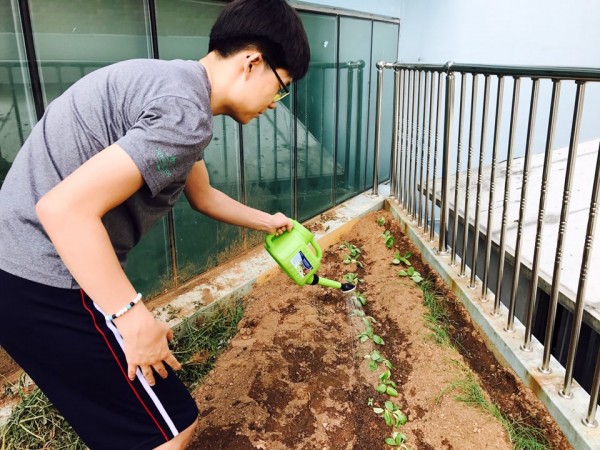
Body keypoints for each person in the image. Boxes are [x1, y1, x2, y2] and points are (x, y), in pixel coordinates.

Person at [0, 0, 310, 448]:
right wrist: (132, 318)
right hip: (43, 276)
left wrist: (269, 221)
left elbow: (202, 196)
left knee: (136, 426)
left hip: (19, 266)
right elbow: (63, 210)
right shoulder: (185, 116)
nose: (275, 104)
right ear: (253, 62)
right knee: (168, 429)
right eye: (281, 88)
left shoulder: (175, 87)